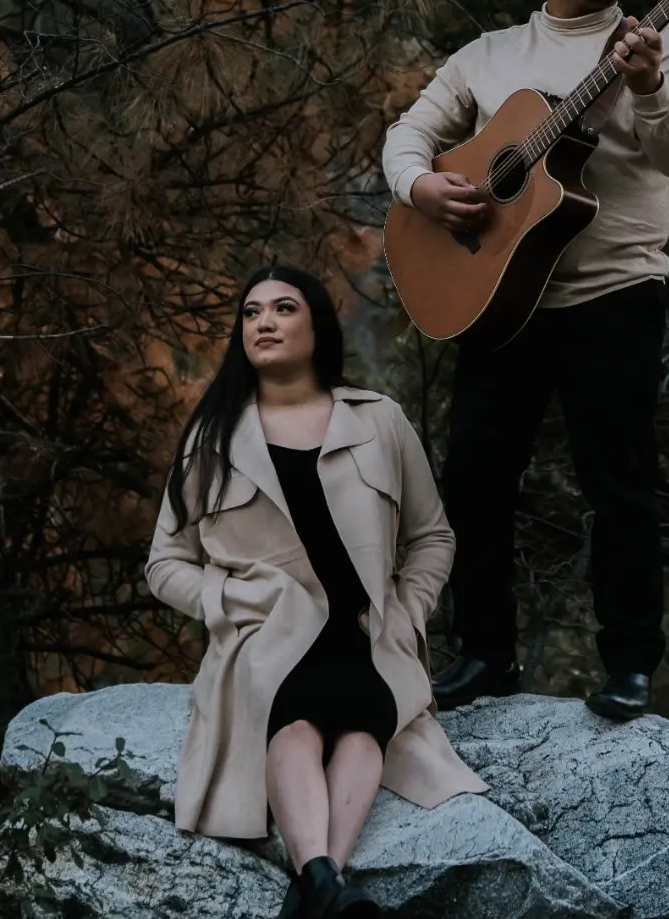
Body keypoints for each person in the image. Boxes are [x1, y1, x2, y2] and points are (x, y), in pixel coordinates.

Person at [381, 0, 669, 721]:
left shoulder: (656, 48)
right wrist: (420, 186)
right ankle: (486, 656)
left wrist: (649, 87)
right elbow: (407, 135)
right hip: (500, 301)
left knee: (621, 485)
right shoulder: (488, 57)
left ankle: (629, 666)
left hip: (617, 294)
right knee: (474, 482)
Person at [145, 264, 486, 919]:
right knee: (296, 719)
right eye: (250, 313)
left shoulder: (379, 420)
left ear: (317, 326)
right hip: (266, 639)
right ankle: (328, 883)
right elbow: (164, 563)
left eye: (282, 308)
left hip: (365, 637)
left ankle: (317, 887)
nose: (264, 322)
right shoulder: (211, 440)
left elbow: (434, 536)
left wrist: (406, 614)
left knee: (363, 724)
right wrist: (232, 606)